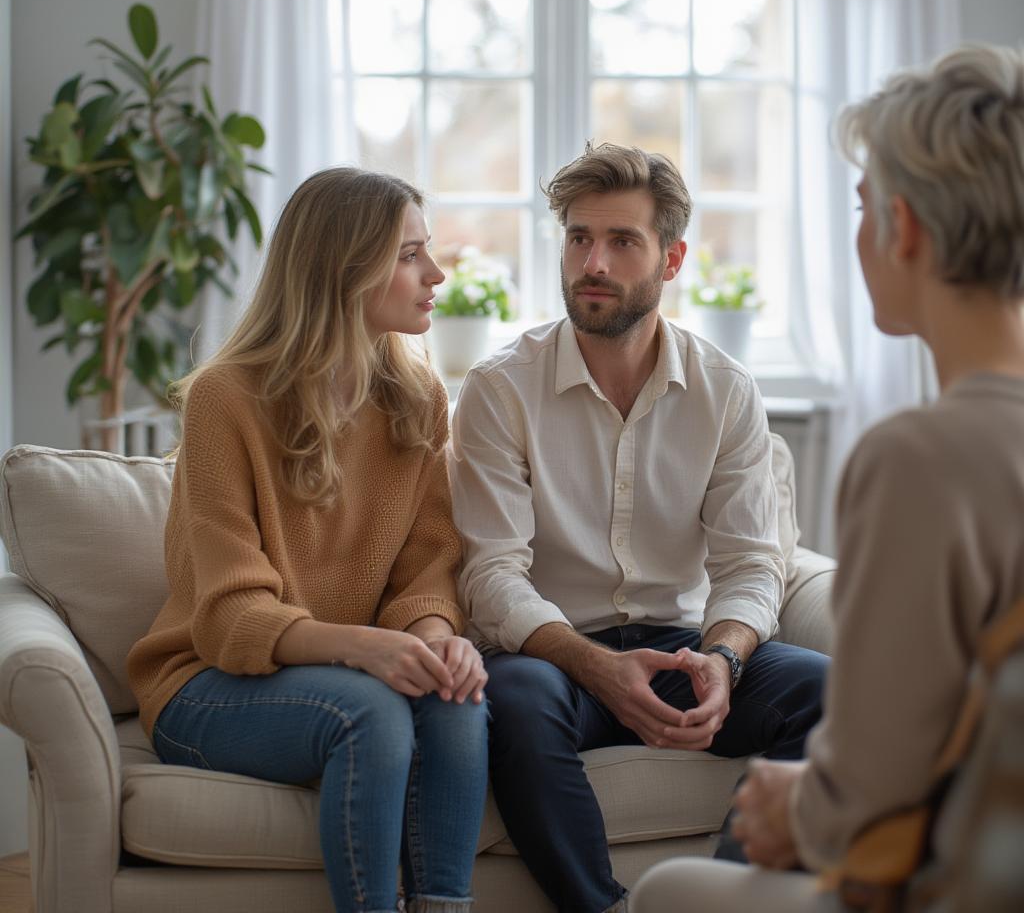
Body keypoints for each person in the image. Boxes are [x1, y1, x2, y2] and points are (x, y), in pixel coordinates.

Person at [630, 44, 1024, 912]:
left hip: (955, 887)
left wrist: (793, 805)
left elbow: (868, 793)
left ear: (902, 226)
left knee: (669, 892)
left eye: (859, 207)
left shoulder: (922, 458)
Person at [447, 142, 829, 913]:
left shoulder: (724, 390)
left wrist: (723, 657)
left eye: (622, 241)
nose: (593, 261)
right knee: (512, 702)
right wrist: (594, 668)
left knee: (834, 692)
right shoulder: (499, 390)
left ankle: (719, 897)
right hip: (555, 657)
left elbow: (755, 562)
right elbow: (490, 573)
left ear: (672, 258)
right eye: (579, 237)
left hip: (686, 647)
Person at [127, 167, 489, 913]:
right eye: (409, 254)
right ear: (343, 268)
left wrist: (434, 636)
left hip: (347, 675)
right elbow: (229, 617)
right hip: (207, 686)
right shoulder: (225, 398)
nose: (436, 274)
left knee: (457, 698)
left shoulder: (418, 398)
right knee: (371, 710)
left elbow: (427, 566)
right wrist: (364, 649)